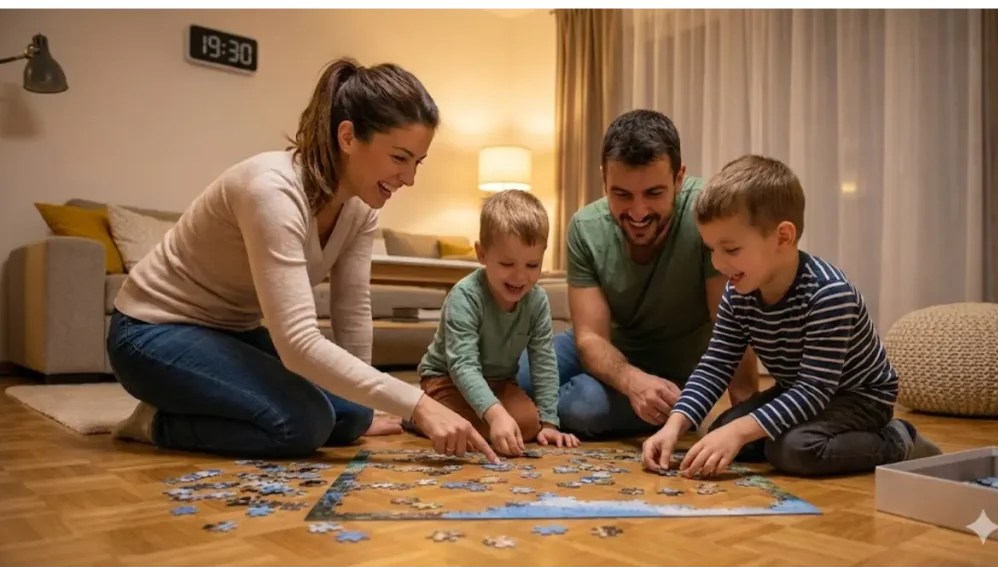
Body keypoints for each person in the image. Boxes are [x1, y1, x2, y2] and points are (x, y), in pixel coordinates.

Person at [105, 57, 499, 464]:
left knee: (349, 419)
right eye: (399, 158)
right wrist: (418, 405)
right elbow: (297, 344)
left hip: (230, 334)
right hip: (150, 333)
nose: (410, 178)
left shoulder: (361, 208)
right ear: (348, 136)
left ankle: (208, 404)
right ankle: (154, 423)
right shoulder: (270, 190)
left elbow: (352, 310)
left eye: (417, 162)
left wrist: (362, 405)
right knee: (302, 423)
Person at [642, 154, 943, 478]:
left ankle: (899, 440)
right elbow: (716, 364)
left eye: (730, 250)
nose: (717, 263)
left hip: (859, 398)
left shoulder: (829, 293)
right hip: (797, 388)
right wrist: (674, 425)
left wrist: (744, 430)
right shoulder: (738, 292)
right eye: (710, 249)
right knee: (722, 430)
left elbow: (814, 390)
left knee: (793, 450)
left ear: (783, 237)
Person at [517, 109, 760, 439]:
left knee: (583, 408)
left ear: (679, 178)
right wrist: (630, 380)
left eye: (654, 194)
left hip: (674, 368)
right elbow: (591, 338)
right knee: (512, 372)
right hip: (604, 348)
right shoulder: (585, 227)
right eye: (622, 195)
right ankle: (475, 410)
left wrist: (744, 414)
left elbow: (732, 328)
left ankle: (520, 415)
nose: (639, 212)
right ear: (604, 180)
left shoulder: (707, 215)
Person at [409, 189, 581, 457]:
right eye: (507, 263)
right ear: (481, 254)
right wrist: (496, 413)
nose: (520, 276)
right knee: (469, 430)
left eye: (532, 265)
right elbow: (462, 365)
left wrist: (549, 423)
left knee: (527, 424)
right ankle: (419, 415)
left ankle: (468, 419)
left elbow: (544, 361)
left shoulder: (537, 300)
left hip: (500, 381)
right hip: (446, 380)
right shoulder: (465, 296)